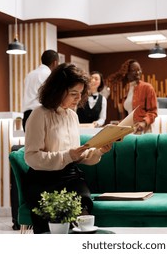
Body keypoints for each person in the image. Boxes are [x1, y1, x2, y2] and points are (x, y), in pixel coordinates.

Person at [24, 63, 112, 234]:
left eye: (80, 93)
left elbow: (77, 156)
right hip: (43, 180)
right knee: (55, 225)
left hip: (70, 177)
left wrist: (99, 151)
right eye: (73, 93)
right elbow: (32, 157)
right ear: (58, 90)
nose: (78, 98)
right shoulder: (39, 115)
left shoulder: (72, 115)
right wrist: (67, 155)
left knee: (83, 212)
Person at [108, 59, 158, 134]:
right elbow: (129, 113)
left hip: (143, 130)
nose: (138, 72)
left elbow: (153, 111)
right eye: (134, 70)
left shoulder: (147, 87)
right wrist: (119, 124)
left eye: (139, 70)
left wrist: (144, 123)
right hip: (130, 130)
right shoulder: (127, 90)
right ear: (127, 73)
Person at [22, 49, 59, 131]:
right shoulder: (49, 75)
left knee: (30, 143)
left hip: (26, 115)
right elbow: (52, 97)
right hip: (41, 114)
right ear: (55, 63)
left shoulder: (29, 75)